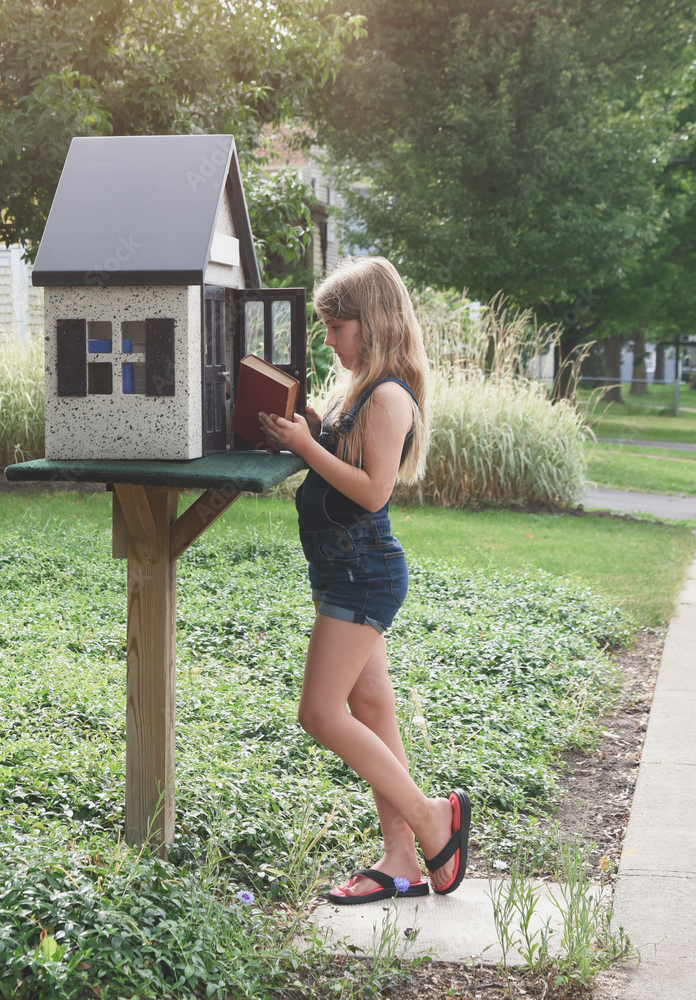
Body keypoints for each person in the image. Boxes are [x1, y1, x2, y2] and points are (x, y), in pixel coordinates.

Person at [258, 256, 470, 904]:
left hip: (361, 574)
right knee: (371, 708)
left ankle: (434, 821)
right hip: (342, 570)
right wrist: (314, 430)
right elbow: (346, 457)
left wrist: (307, 448)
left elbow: (373, 491)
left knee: (320, 713)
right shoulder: (361, 390)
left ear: (370, 324)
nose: (328, 341)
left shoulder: (388, 395)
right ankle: (402, 859)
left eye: (335, 327)